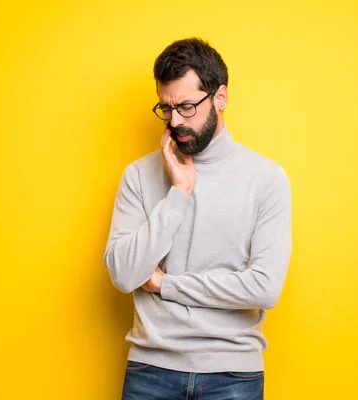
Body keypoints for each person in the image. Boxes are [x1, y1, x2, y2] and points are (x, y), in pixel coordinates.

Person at [103, 37, 292, 400]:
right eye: (166, 107)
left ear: (220, 97)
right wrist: (179, 193)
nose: (175, 121)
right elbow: (124, 275)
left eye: (187, 106)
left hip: (234, 373)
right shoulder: (139, 175)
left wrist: (165, 285)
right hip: (150, 370)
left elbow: (264, 287)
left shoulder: (266, 179)